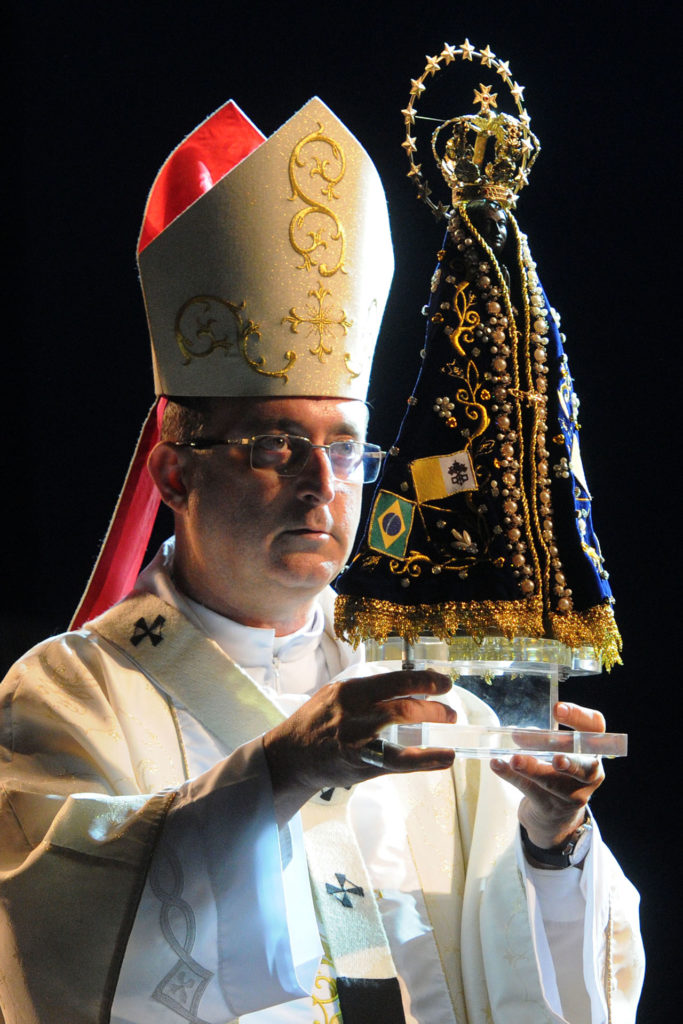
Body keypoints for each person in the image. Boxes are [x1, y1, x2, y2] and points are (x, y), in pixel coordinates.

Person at [0, 97, 643, 1024]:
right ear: (174, 471)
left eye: (346, 449)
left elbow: (581, 984)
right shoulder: (70, 696)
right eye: (273, 445)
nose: (322, 486)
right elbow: (52, 940)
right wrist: (279, 772)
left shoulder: (428, 683)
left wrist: (551, 835)